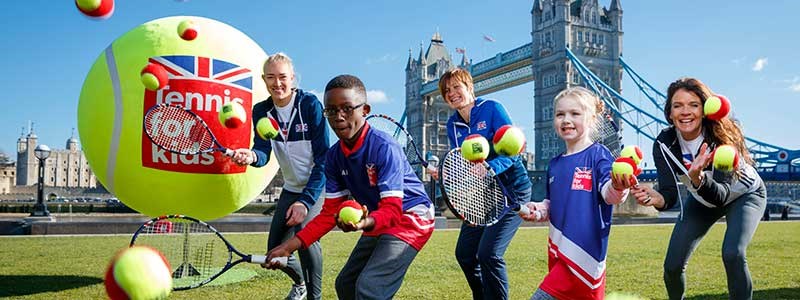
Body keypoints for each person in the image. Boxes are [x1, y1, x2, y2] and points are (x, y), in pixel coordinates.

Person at [264, 74, 435, 299]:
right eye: (331, 111)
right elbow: (329, 214)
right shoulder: (334, 157)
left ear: (365, 110)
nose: (339, 117)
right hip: (378, 218)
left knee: (369, 287)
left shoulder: (384, 147)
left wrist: (366, 222)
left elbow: (393, 210)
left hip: (412, 217)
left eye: (347, 108)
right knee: (346, 284)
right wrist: (290, 246)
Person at [630, 77, 766, 300]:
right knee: (672, 266)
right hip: (702, 199)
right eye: (677, 105)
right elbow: (670, 195)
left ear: (704, 111)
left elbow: (721, 195)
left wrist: (698, 179)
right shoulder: (664, 143)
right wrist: (657, 198)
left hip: (746, 195)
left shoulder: (720, 139)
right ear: (670, 113)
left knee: (733, 253)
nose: (685, 112)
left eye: (693, 105)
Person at [520, 86, 634, 300]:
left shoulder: (598, 155)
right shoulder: (554, 164)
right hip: (558, 254)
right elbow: (552, 204)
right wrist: (538, 210)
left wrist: (619, 187)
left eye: (575, 113)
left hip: (583, 258)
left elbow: (609, 194)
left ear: (591, 119)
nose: (566, 119)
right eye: (560, 114)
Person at [231, 53, 328, 300]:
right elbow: (262, 151)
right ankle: (300, 285)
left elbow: (324, 161)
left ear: (292, 78)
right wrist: (251, 156)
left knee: (305, 235)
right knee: (274, 253)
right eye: (271, 78)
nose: (278, 83)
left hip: (316, 186)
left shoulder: (309, 105)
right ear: (264, 80)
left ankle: (314, 297)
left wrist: (305, 202)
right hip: (291, 187)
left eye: (283, 77)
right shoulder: (261, 111)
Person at [434, 68, 531, 300]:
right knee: (465, 254)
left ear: (469, 87)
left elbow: (514, 151)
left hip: (512, 192)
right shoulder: (452, 125)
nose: (452, 93)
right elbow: (462, 162)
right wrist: (447, 174)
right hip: (483, 196)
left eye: (457, 87)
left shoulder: (492, 108)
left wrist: (490, 168)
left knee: (489, 254)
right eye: (447, 91)